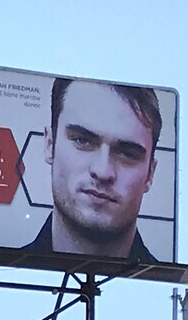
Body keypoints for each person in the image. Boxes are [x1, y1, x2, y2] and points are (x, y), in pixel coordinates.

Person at [24, 77, 163, 262]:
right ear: (50, 145)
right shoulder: (8, 278)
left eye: (127, 154)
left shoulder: (159, 290)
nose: (103, 171)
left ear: (150, 174)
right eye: (83, 141)